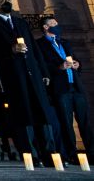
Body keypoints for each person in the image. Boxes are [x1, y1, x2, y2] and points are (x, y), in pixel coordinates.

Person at [0, 0, 55, 165]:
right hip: (14, 74)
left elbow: (35, 49)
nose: (7, 3)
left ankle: (49, 153)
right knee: (23, 112)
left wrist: (43, 72)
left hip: (33, 72)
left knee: (41, 111)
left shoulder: (20, 22)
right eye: (3, 0)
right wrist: (10, 49)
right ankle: (31, 154)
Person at [37, 16, 92, 164]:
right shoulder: (40, 45)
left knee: (85, 120)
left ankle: (92, 152)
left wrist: (77, 64)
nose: (56, 25)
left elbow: (75, 58)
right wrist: (59, 68)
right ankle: (72, 154)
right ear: (45, 27)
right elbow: (43, 66)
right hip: (61, 88)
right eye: (53, 24)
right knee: (66, 123)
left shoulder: (64, 42)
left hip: (76, 86)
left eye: (57, 23)